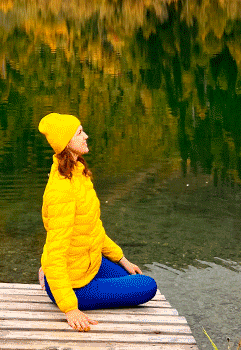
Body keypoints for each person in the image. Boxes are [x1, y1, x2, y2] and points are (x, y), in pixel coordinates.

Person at [37, 112, 158, 332]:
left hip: (87, 260)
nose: (86, 136)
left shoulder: (78, 173)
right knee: (147, 286)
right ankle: (54, 285)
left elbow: (92, 229)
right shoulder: (61, 191)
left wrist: (122, 258)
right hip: (75, 286)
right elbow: (55, 253)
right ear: (66, 143)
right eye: (80, 132)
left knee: (129, 275)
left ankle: (48, 274)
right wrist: (70, 308)